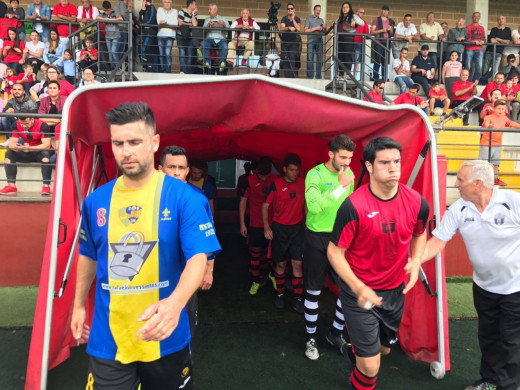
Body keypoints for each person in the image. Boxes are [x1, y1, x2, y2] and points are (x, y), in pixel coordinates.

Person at [70, 102, 221, 389]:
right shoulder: (96, 202)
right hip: (110, 337)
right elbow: (88, 255)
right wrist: (78, 306)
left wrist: (175, 305)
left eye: (135, 142)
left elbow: (198, 257)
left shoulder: (185, 198)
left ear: (154, 143)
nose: (126, 151)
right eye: (118, 143)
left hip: (167, 334)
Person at [328, 136, 429, 390]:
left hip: (394, 292)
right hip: (358, 292)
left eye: (396, 161)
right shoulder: (353, 206)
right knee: (371, 367)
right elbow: (334, 252)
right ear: (369, 166)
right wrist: (358, 287)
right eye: (385, 162)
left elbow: (419, 234)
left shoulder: (417, 203)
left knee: (383, 350)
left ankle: (355, 353)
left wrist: (416, 260)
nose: (393, 167)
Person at [418, 160, 520, 390]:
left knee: (511, 341)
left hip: (515, 288)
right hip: (483, 287)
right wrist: (416, 260)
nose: (456, 185)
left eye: (460, 181)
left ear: (478, 183)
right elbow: (438, 241)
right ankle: (489, 380)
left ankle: (508, 386)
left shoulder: (513, 202)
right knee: (488, 337)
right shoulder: (459, 208)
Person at [303, 134, 355, 361]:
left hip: (341, 240)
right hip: (316, 238)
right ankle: (310, 339)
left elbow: (349, 208)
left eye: (350, 158)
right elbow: (314, 207)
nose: (346, 163)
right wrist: (339, 188)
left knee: (348, 290)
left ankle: (335, 333)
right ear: (331, 154)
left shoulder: (350, 175)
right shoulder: (314, 174)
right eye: (343, 157)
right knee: (313, 290)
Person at [158, 145, 216, 336]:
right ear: (160, 169)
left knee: (184, 323)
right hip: (153, 275)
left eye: (181, 168)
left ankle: (183, 360)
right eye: (171, 167)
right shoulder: (148, 196)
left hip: (186, 274)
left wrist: (209, 270)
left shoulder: (196, 198)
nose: (176, 172)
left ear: (187, 171)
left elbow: (206, 237)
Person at [262, 153, 305, 312]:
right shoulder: (276, 184)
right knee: (281, 263)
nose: (295, 173)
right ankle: (279, 294)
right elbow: (265, 206)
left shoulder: (303, 183)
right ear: (285, 169)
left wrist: (307, 223)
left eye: (297, 170)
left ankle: (298, 299)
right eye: (292, 170)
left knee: (297, 264)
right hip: (279, 229)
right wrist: (267, 226)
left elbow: (306, 203)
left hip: (297, 229)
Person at [239, 156, 277, 295]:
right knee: (255, 252)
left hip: (273, 223)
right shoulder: (249, 181)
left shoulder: (276, 179)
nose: (264, 179)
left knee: (271, 254)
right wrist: (242, 223)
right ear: (256, 171)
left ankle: (270, 276)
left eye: (266, 176)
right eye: (261, 175)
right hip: (255, 223)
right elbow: (243, 201)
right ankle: (256, 280)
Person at [0, 116, 54, 196]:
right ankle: (11, 186)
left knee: (45, 154)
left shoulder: (42, 125)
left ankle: (46, 186)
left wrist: (30, 148)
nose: (24, 126)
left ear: (32, 119)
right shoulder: (16, 124)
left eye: (26, 123)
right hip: (27, 150)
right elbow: (11, 143)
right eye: (22, 124)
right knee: (9, 154)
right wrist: (17, 147)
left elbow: (47, 145)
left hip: (40, 151)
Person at [479, 99, 520, 186]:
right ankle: (481, 180)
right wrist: (489, 126)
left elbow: (511, 123)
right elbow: (486, 124)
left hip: (498, 144)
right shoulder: (488, 117)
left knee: (496, 164)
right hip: (486, 144)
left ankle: (495, 179)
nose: (501, 110)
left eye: (503, 108)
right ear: (494, 108)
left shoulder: (504, 118)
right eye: (499, 108)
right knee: (484, 163)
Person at [481, 15, 511, 84]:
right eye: (499, 19)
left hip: (499, 52)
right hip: (490, 51)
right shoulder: (494, 29)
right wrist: (502, 41)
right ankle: (484, 82)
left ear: (505, 20)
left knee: (495, 69)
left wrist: (498, 39)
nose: (501, 20)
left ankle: (482, 80)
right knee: (485, 68)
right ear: (497, 21)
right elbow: (492, 40)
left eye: (503, 19)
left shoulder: (508, 30)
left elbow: (507, 42)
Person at [201, 3, 228, 73]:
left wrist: (223, 24)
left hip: (221, 39)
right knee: (204, 44)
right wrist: (208, 25)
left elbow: (229, 28)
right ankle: (207, 62)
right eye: (209, 9)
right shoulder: (207, 19)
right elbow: (204, 29)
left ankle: (222, 63)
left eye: (210, 9)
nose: (209, 11)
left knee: (225, 45)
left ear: (215, 10)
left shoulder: (223, 18)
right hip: (210, 38)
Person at [370, 5, 394, 80]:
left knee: (385, 61)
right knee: (378, 59)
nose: (385, 11)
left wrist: (390, 29)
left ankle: (384, 77)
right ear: (381, 10)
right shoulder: (376, 20)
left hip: (387, 43)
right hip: (378, 42)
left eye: (387, 10)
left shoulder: (391, 21)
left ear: (388, 11)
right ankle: (375, 77)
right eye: (384, 10)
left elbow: (392, 33)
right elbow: (372, 32)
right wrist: (382, 30)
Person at [97, 1, 122, 70]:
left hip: (116, 36)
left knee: (114, 51)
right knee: (110, 53)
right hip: (107, 36)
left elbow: (120, 18)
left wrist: (112, 20)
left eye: (107, 10)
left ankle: (117, 67)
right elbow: (97, 17)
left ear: (111, 9)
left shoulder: (114, 13)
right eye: (105, 10)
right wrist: (105, 19)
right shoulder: (103, 15)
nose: (106, 12)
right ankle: (113, 68)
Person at [280, 2, 301, 78]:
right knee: (285, 58)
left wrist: (293, 19)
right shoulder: (284, 18)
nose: (290, 10)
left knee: (292, 58)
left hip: (293, 42)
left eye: (291, 8)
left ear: (294, 10)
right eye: (288, 9)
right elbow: (281, 28)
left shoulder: (297, 18)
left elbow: (298, 29)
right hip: (285, 42)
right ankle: (286, 77)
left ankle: (291, 77)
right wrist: (288, 28)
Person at [304, 5, 325, 79]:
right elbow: (306, 30)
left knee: (319, 59)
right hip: (311, 41)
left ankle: (318, 76)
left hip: (319, 40)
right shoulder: (309, 19)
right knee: (310, 58)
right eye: (317, 10)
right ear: (314, 10)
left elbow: (323, 32)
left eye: (319, 10)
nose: (318, 12)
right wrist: (316, 28)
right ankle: (310, 76)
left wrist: (324, 28)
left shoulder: (321, 20)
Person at [156, 0, 177, 73]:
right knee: (162, 54)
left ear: (171, 3)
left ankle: (168, 71)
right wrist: (169, 22)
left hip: (170, 35)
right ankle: (163, 71)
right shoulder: (159, 9)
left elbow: (175, 23)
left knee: (167, 53)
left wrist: (166, 22)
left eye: (168, 2)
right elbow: (159, 21)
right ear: (163, 3)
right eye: (165, 2)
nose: (167, 4)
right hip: (160, 35)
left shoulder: (175, 11)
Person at [177, 0, 198, 74]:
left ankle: (187, 73)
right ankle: (183, 71)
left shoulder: (194, 14)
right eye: (195, 4)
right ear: (191, 5)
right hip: (181, 36)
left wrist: (192, 14)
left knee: (189, 55)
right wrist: (190, 24)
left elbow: (195, 24)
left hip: (190, 38)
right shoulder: (182, 11)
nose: (196, 6)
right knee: (182, 54)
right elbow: (180, 22)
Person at [465, 11, 486, 83]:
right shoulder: (468, 27)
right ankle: (468, 81)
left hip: (479, 49)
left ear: (479, 18)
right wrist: (474, 42)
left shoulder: (482, 28)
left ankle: (475, 82)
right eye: (475, 16)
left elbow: (484, 38)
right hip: (469, 49)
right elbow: (466, 39)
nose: (476, 18)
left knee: (479, 67)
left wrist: (483, 41)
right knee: (468, 67)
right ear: (472, 18)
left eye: (478, 16)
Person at [139, 0, 159, 72]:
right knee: (141, 48)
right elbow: (140, 19)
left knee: (144, 48)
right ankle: (146, 66)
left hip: (150, 32)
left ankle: (148, 66)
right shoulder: (145, 9)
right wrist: (142, 10)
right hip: (144, 32)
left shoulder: (152, 8)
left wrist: (144, 25)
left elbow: (151, 19)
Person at [352, 7, 369, 80]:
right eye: (360, 12)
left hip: (358, 43)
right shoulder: (352, 20)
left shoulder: (364, 23)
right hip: (349, 42)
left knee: (356, 60)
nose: (361, 14)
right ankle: (347, 75)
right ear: (357, 12)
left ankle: (354, 77)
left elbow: (367, 34)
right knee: (348, 59)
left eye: (362, 13)